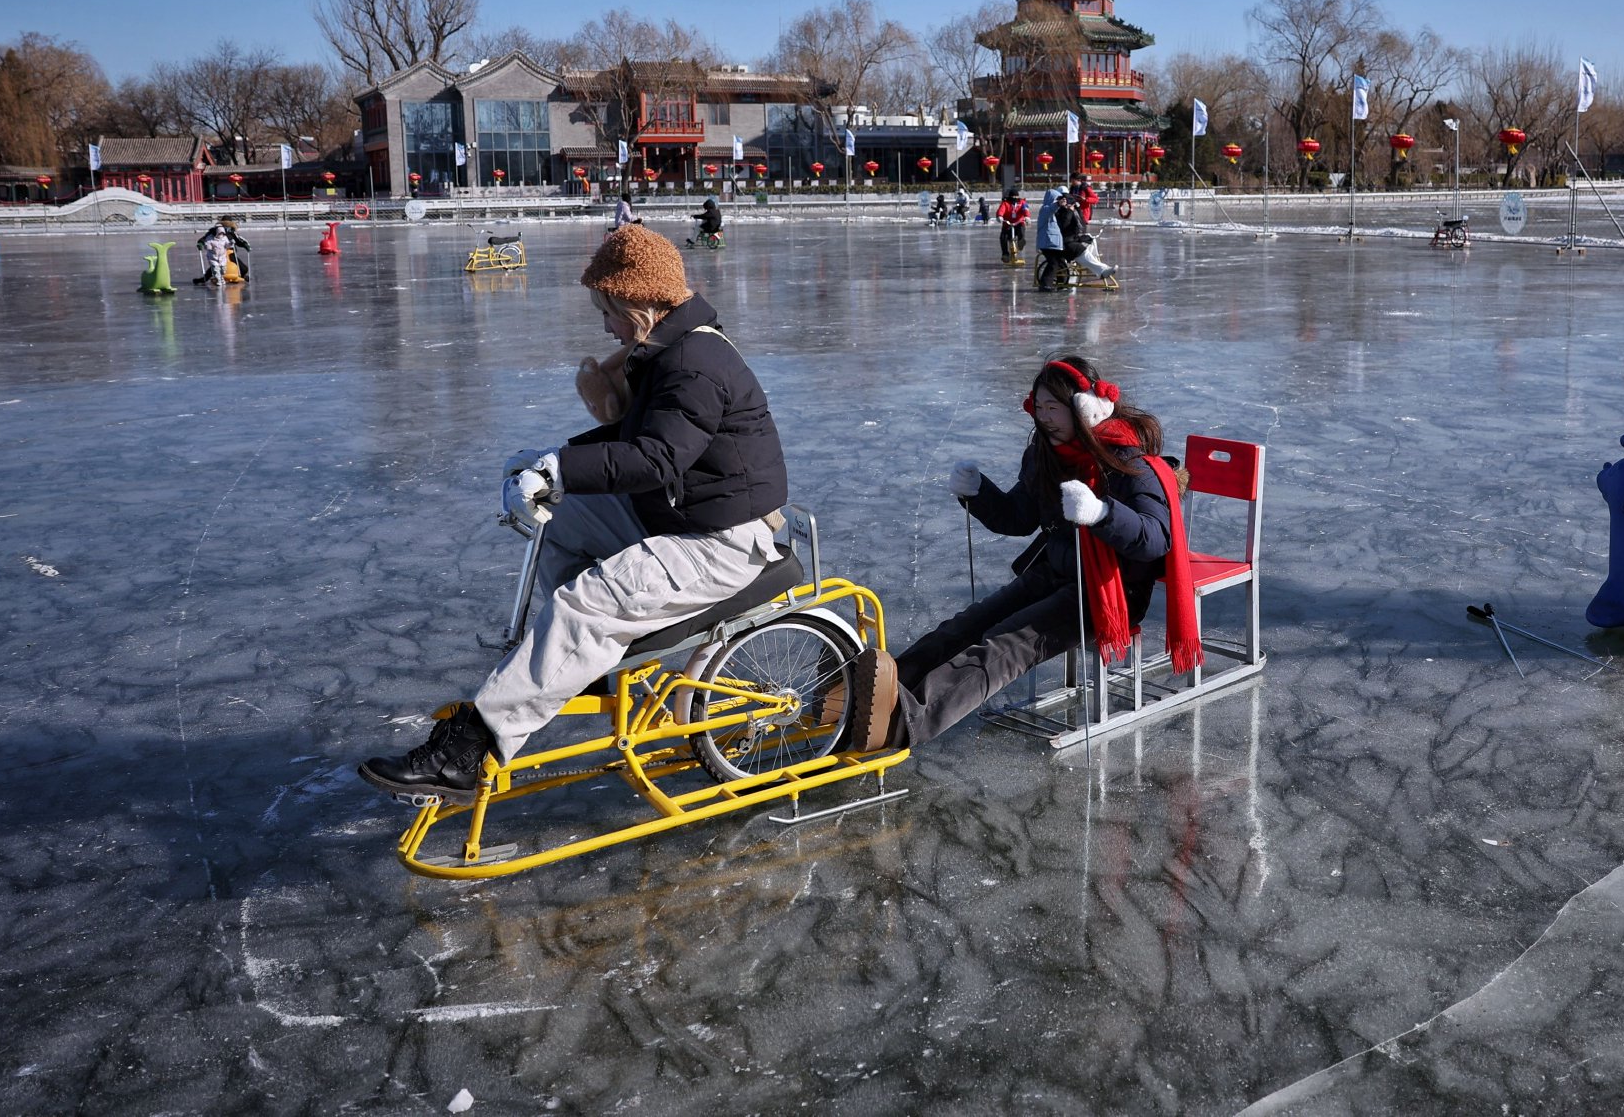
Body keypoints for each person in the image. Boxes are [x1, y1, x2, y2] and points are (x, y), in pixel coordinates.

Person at [357, 225, 791, 802]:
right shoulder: (668, 350)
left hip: (718, 540)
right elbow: (636, 436)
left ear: (638, 299)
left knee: (585, 605)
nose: (603, 323)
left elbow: (657, 457)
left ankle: (468, 752)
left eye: (607, 309)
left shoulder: (695, 363)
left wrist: (560, 467)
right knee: (560, 518)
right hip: (681, 514)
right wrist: (548, 463)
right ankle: (587, 659)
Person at [836, 356, 1200, 751]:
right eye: (1039, 408)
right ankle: (870, 697)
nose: (1045, 418)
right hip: (1053, 571)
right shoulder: (1046, 456)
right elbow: (1019, 517)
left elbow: (1155, 539)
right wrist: (979, 493)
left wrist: (1103, 513)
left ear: (1085, 408)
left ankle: (903, 722)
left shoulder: (1130, 463)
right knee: (965, 626)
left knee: (1004, 646)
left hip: (1108, 592)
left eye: (1054, 408)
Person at [191, 218, 240, 285]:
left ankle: (221, 278)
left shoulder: (230, 233)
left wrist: (235, 244)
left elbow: (238, 240)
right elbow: (205, 240)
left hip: (226, 255)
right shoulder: (211, 235)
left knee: (223, 270)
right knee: (215, 269)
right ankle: (217, 279)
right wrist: (202, 244)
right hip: (214, 255)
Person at [997, 189, 1030, 262]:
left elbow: (1025, 209)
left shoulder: (1022, 202)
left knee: (1021, 229)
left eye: (1016, 196)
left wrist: (1027, 216)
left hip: (1019, 223)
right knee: (1003, 237)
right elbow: (1001, 210)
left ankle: (1021, 241)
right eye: (1013, 196)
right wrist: (1000, 216)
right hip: (1008, 224)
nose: (1014, 198)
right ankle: (1005, 254)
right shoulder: (1005, 203)